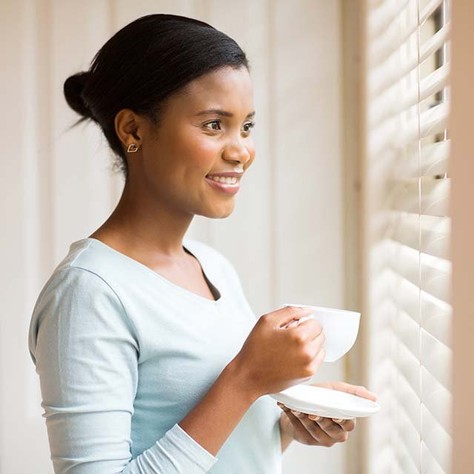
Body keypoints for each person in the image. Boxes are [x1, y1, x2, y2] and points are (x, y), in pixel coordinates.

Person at [28, 14, 375, 474]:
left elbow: (220, 450)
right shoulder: (89, 293)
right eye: (214, 125)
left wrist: (287, 423)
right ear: (132, 130)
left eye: (246, 127)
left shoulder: (212, 267)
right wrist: (246, 380)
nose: (241, 151)